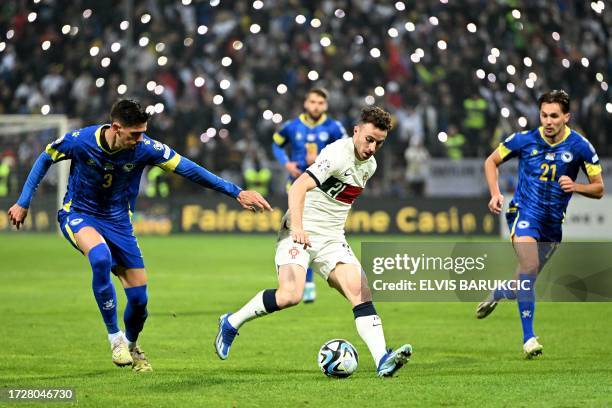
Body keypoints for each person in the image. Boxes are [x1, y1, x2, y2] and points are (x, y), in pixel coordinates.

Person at [7, 99, 271, 372]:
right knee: (99, 257)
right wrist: (24, 201)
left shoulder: (145, 149)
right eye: (134, 134)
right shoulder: (81, 140)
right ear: (116, 128)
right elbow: (45, 157)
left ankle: (132, 346)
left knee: (139, 301)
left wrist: (236, 192)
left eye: (143, 132)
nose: (140, 139)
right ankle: (115, 338)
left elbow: (190, 169)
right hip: (80, 214)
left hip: (119, 223)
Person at [217, 106, 412, 377]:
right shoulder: (336, 154)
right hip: (298, 231)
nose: (372, 147)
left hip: (332, 238)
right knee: (290, 295)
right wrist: (297, 227)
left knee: (359, 290)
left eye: (379, 143)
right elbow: (298, 187)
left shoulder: (371, 165)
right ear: (356, 131)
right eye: (369, 139)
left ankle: (383, 360)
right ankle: (231, 322)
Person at [477, 90, 604, 358]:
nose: (548, 121)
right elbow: (492, 161)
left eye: (554, 116)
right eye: (544, 115)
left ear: (566, 117)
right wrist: (495, 193)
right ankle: (529, 338)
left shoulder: (581, 147)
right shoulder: (524, 140)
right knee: (530, 266)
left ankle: (502, 291)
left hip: (552, 225)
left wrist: (577, 186)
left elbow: (599, 188)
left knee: (524, 280)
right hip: (524, 212)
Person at [272, 88, 348, 303]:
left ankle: (309, 279)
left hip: (323, 186)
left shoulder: (333, 127)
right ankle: (306, 281)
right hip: (296, 185)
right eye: (312, 101)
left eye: (320, 103)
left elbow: (346, 148)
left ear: (325, 106)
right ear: (306, 103)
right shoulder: (292, 126)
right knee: (300, 230)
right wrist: (286, 163)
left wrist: (325, 161)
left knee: (312, 231)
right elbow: (276, 144)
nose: (316, 106)